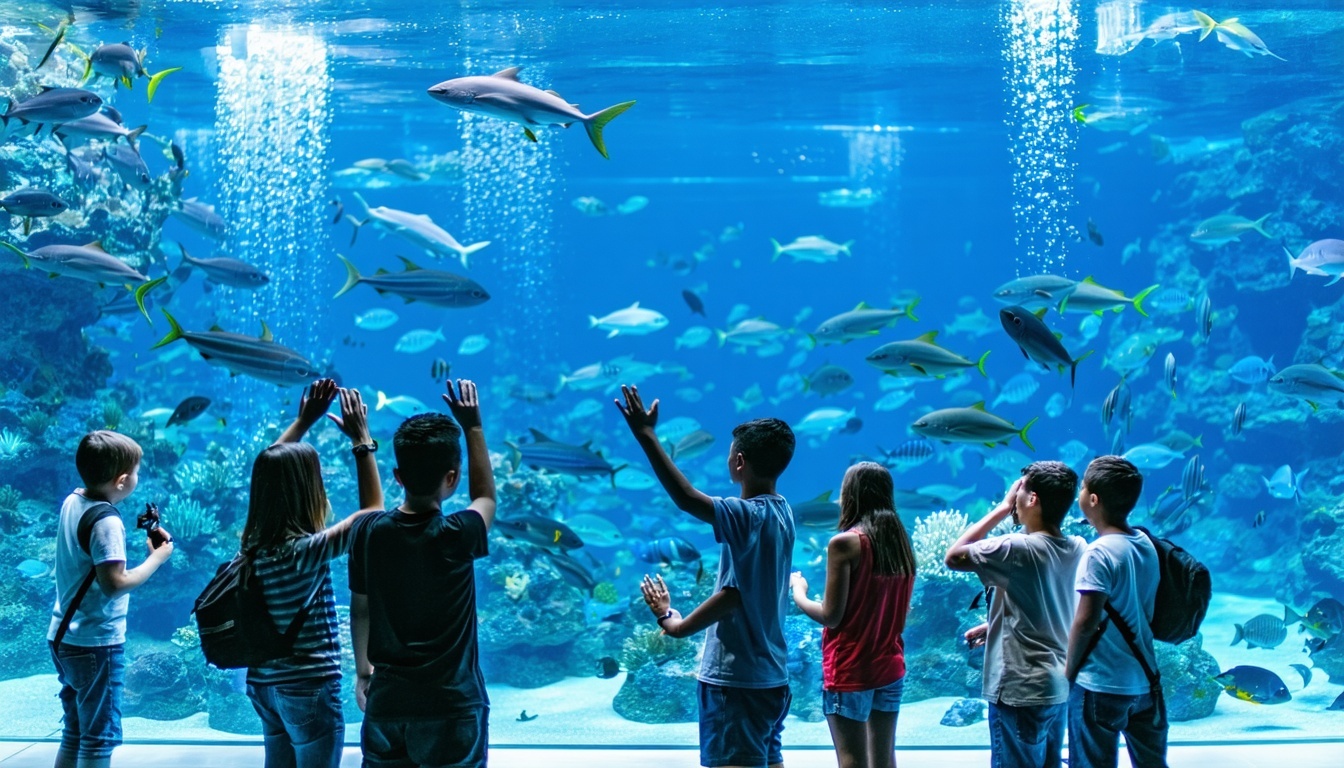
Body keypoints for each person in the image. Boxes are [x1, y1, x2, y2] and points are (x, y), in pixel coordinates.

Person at [619, 385, 796, 768]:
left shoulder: (747, 515)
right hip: (773, 679)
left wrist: (646, 436)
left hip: (736, 681)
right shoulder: (783, 512)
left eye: (730, 454)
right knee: (768, 758)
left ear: (739, 463)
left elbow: (685, 498)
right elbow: (736, 593)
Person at [348, 380, 495, 768]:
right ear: (452, 477)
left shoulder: (368, 533)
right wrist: (473, 427)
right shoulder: (458, 534)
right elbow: (486, 498)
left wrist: (364, 672)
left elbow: (360, 609)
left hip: (387, 703)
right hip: (452, 705)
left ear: (398, 476)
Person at [242, 380, 382, 768]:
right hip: (307, 687)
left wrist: (304, 421)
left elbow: (266, 468)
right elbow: (373, 514)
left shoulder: (252, 544)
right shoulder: (306, 550)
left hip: (263, 685)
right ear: (311, 490)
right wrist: (362, 441)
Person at [944, 461, 1086, 768]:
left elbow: (953, 557)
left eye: (1019, 491)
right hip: (1057, 686)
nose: (1015, 499)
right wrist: (993, 624)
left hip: (1019, 687)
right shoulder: (1078, 547)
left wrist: (1002, 508)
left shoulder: (1015, 547)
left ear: (1031, 499)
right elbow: (1053, 604)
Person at [48, 430, 175, 768]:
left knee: (75, 731)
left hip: (64, 635)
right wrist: (156, 560)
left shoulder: (73, 501)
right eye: (135, 472)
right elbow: (114, 584)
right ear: (121, 481)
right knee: (98, 738)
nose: (136, 477)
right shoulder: (107, 521)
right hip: (95, 643)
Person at [788, 462, 915, 768]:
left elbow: (831, 616)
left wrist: (799, 592)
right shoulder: (900, 543)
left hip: (850, 669)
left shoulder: (844, 543)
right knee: (885, 760)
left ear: (850, 495)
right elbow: (901, 614)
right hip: (890, 667)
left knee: (852, 761)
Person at [1064, 456, 1167, 768]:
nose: (1079, 493)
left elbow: (1085, 623)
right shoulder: (1146, 544)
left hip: (1101, 684)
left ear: (1092, 500)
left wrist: (1066, 675)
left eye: (1082, 488)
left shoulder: (1099, 553)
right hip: (1146, 682)